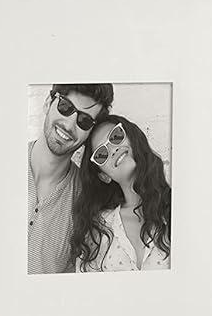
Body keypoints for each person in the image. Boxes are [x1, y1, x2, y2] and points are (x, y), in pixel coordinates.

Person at [27, 84, 114, 274]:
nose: (69, 124)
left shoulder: (86, 202)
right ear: (48, 103)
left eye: (84, 121)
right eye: (65, 107)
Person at [71, 115, 171, 272]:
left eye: (116, 136)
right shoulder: (98, 231)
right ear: (104, 175)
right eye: (101, 154)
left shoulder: (178, 205)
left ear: (132, 138)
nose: (113, 149)